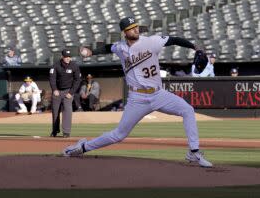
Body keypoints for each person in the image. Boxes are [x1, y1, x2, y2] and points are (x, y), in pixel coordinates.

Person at [63, 16, 213, 168]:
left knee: (187, 110)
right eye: (131, 28)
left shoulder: (151, 41)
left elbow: (174, 40)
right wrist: (91, 52)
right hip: (137, 98)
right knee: (119, 135)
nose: (135, 29)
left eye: (136, 26)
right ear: (124, 33)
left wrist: (195, 47)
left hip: (158, 94)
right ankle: (82, 147)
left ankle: (194, 151)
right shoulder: (121, 47)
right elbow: (108, 48)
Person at [49, 48, 82, 138]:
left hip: (68, 91)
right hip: (57, 91)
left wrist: (71, 92)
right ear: (62, 57)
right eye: (66, 57)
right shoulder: (56, 65)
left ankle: (66, 132)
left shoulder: (74, 66)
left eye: (69, 57)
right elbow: (52, 79)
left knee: (67, 111)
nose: (68, 58)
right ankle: (55, 130)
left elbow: (77, 80)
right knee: (55, 112)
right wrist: (54, 89)